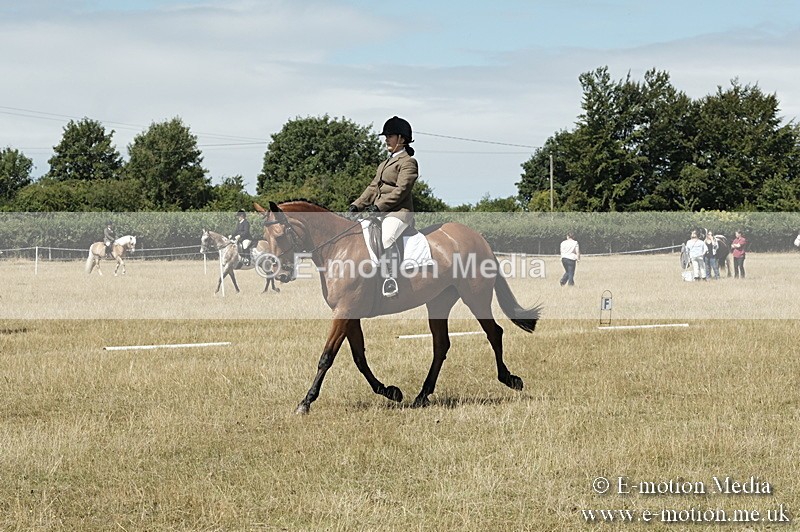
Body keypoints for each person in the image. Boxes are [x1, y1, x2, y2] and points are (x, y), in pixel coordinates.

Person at [348, 116, 418, 298]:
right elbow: (373, 187)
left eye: (390, 135)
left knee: (386, 238)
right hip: (380, 213)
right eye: (386, 136)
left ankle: (390, 280)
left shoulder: (408, 162)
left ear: (401, 139)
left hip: (399, 213)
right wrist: (357, 205)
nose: (386, 139)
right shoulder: (384, 164)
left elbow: (402, 190)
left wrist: (378, 207)